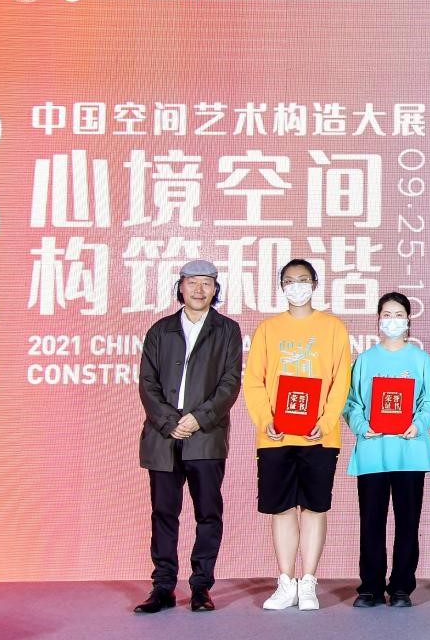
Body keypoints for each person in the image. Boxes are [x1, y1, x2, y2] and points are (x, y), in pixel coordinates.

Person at [243, 258, 352, 611]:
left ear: (315, 284)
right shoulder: (268, 329)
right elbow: (254, 380)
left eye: (303, 280)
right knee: (282, 509)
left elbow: (341, 380)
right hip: (276, 437)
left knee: (315, 508)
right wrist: (266, 419)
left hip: (319, 436)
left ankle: (308, 582)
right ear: (282, 287)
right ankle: (285, 581)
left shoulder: (333, 328)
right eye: (289, 281)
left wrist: (327, 419)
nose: (296, 286)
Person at [134, 260, 242, 614]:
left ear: (215, 289)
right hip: (163, 437)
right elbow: (147, 383)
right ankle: (163, 587)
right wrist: (170, 422)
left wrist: (197, 419)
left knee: (208, 514)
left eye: (206, 283)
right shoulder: (160, 330)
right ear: (180, 287)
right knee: (163, 513)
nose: (199, 289)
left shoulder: (227, 330)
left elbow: (230, 383)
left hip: (205, 436)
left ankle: (200, 588)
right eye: (192, 282)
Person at [343, 292, 430, 608]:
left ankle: (401, 587)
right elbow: (351, 402)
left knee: (408, 523)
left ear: (408, 320)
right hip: (373, 450)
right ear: (378, 320)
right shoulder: (365, 360)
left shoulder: (420, 359)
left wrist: (419, 424)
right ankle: (370, 587)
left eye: (399, 315)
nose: (392, 320)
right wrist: (361, 426)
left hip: (409, 451)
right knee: (371, 522)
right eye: (387, 314)